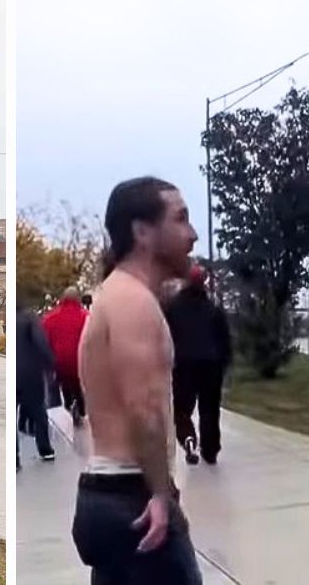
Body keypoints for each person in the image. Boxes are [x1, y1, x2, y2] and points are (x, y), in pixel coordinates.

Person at [70, 176, 202, 583]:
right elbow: (143, 409)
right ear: (142, 231)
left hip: (113, 497)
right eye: (180, 219)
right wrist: (161, 495)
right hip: (134, 499)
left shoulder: (114, 295)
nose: (193, 234)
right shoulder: (133, 301)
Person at [164, 264, 232, 465]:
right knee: (210, 408)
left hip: (184, 364)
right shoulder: (213, 310)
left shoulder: (173, 309)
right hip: (211, 365)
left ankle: (188, 437)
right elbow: (225, 340)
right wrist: (224, 362)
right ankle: (210, 449)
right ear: (204, 284)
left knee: (182, 409)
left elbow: (165, 337)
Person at [43, 287, 90, 427]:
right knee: (78, 384)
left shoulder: (50, 318)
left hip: (59, 361)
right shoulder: (86, 316)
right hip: (80, 361)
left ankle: (69, 405)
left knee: (64, 383)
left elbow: (44, 339)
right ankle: (81, 409)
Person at [17, 304, 56, 470]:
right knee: (39, 412)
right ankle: (45, 449)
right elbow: (41, 344)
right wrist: (50, 367)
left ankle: (14, 458)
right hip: (30, 374)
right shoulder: (29, 319)